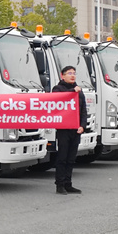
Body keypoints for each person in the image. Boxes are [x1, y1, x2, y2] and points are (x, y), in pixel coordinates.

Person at [51, 65, 88, 195]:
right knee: (62, 157)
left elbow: (83, 110)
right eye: (69, 73)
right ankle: (59, 184)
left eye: (74, 73)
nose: (72, 75)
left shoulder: (79, 91)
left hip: (75, 129)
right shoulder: (58, 89)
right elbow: (58, 98)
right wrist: (73, 91)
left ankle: (68, 183)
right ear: (63, 76)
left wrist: (83, 125)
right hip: (63, 129)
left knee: (71, 158)